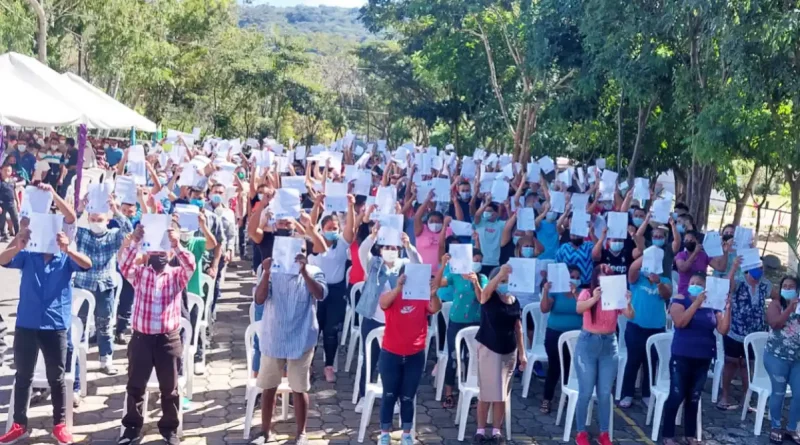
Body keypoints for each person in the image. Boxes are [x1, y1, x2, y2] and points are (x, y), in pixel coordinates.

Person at [0, 213, 89, 445]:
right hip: (26, 324)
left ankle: (59, 425)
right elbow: (2, 259)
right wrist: (18, 241)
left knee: (57, 378)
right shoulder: (28, 255)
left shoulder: (65, 258)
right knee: (23, 376)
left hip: (55, 325)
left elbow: (87, 264)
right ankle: (19, 424)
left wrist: (68, 249)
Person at [117, 224, 195, 445]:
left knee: (169, 388)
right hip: (141, 338)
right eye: (155, 251)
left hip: (167, 339)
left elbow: (191, 265)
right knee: (135, 385)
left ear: (170, 254)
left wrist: (176, 244)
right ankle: (132, 428)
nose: (159, 255)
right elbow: (124, 264)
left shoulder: (178, 276)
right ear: (148, 252)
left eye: (164, 251)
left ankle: (169, 429)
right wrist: (135, 241)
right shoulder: (140, 274)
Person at [252, 246, 327, 445]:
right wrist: (267, 272)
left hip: (301, 338)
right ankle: (265, 431)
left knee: (299, 388)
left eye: (300, 249)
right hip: (274, 336)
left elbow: (320, 294)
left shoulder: (314, 271)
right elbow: (259, 299)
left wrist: (303, 271)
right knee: (269, 387)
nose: (296, 255)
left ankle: (301, 433)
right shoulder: (269, 269)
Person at [355, 223, 421, 412]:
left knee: (397, 362)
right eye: (387, 247)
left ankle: (397, 398)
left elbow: (418, 262)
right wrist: (372, 236)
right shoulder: (373, 263)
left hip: (398, 323)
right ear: (381, 249)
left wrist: (409, 246)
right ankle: (363, 395)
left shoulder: (405, 265)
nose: (390, 251)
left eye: (394, 248)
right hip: (374, 320)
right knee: (370, 359)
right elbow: (362, 252)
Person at [72, 195, 133, 397]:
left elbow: (129, 233)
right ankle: (75, 358)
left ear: (107, 220)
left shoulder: (114, 235)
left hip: (105, 285)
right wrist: (79, 208)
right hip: (83, 284)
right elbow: (67, 227)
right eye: (93, 219)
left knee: (105, 323)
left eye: (100, 219)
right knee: (79, 323)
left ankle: (106, 358)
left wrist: (116, 210)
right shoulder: (82, 234)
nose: (96, 223)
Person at [661, 272, 731, 445]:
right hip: (682, 354)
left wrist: (727, 309)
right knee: (677, 395)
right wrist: (696, 304)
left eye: (699, 283)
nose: (695, 285)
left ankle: (690, 434)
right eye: (692, 282)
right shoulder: (680, 300)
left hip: (704, 356)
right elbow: (680, 323)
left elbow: (723, 329)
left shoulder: (712, 306)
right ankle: (668, 434)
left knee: (694, 396)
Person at [376, 263, 442, 445]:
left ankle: (406, 433)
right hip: (391, 353)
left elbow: (435, 308)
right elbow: (383, 303)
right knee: (389, 395)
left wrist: (434, 294)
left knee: (408, 396)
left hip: (415, 355)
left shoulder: (422, 298)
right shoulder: (393, 295)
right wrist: (398, 287)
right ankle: (384, 433)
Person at [574, 267, 635, 445]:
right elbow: (579, 308)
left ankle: (604, 433)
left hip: (609, 344)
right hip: (588, 344)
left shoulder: (615, 296)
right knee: (585, 392)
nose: (604, 281)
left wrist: (628, 302)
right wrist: (595, 298)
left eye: (607, 277)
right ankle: (581, 432)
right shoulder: (586, 292)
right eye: (601, 277)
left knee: (604, 393)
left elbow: (630, 315)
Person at [472, 264, 526, 443]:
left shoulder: (514, 300)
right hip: (490, 349)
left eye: (507, 281)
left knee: (502, 394)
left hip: (508, 352)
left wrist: (522, 353)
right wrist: (499, 275)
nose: (505, 284)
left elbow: (518, 328)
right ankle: (480, 430)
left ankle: (496, 431)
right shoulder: (489, 297)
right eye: (502, 281)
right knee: (487, 393)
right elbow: (484, 294)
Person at [307, 194, 355, 383]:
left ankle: (329, 366)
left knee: (331, 331)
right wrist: (316, 204)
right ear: (322, 229)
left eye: (335, 228)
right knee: (313, 329)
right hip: (316, 292)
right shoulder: (314, 243)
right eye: (329, 229)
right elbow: (309, 227)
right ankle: (308, 365)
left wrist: (350, 206)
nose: (332, 231)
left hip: (336, 292)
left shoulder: (342, 244)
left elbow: (350, 229)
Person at [619, 253, 671, 408]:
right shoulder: (637, 278)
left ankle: (647, 393)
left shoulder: (665, 280)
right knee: (633, 361)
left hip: (656, 328)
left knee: (652, 361)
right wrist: (648, 255)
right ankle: (627, 393)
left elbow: (666, 294)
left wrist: (658, 282)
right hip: (636, 326)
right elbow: (632, 269)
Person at [437, 251, 487, 409]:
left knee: (472, 357)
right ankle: (449, 393)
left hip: (475, 323)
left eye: (479, 260)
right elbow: (438, 284)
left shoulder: (482, 278)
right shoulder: (455, 275)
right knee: (454, 357)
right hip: (456, 321)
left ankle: (473, 391)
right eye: (474, 259)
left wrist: (475, 283)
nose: (477, 262)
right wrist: (443, 264)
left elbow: (482, 299)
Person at [718, 257, 769, 411]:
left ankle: (746, 398)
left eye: (761, 268)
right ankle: (725, 395)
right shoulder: (740, 282)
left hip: (755, 333)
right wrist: (734, 267)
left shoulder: (764, 285)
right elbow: (726, 286)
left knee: (748, 365)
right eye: (756, 267)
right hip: (735, 331)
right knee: (731, 363)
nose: (759, 270)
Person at [538, 265, 583, 414]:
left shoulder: (583, 293)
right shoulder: (556, 292)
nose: (574, 280)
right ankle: (547, 398)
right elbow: (544, 309)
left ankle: (568, 397)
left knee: (571, 367)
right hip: (555, 334)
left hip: (576, 337)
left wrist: (576, 293)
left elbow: (584, 310)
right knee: (555, 366)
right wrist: (545, 291)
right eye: (572, 277)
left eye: (577, 278)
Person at [764, 276, 800, 444]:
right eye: (784, 286)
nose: (787, 288)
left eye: (791, 286)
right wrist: (789, 310)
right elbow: (775, 323)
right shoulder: (775, 304)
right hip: (776, 356)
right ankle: (776, 426)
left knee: (799, 394)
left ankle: (792, 428)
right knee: (778, 392)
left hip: (797, 359)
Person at [0, 163, 19, 242]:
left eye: (8, 170)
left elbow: (15, 192)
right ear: (1, 171)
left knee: (15, 219)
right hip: (2, 203)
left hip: (11, 203)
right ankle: (4, 235)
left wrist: (18, 202)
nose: (6, 172)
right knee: (2, 220)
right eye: (5, 170)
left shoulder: (12, 181)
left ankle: (18, 234)